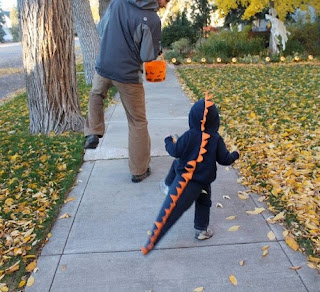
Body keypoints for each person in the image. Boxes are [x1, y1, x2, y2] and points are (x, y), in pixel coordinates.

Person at [84, 0, 170, 183]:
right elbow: (147, 55)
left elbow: (101, 29)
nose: (166, 4)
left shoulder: (118, 3)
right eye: (166, 0)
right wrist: (157, 48)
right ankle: (139, 171)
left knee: (96, 95)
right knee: (137, 121)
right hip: (128, 75)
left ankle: (93, 131)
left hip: (104, 65)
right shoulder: (152, 20)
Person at [141, 96, 240, 255]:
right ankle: (201, 230)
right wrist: (235, 154)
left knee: (177, 164)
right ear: (215, 120)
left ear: (192, 117)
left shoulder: (188, 135)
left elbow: (175, 151)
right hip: (203, 182)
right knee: (203, 202)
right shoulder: (215, 139)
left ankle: (168, 184)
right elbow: (224, 159)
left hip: (184, 177)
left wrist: (168, 140)